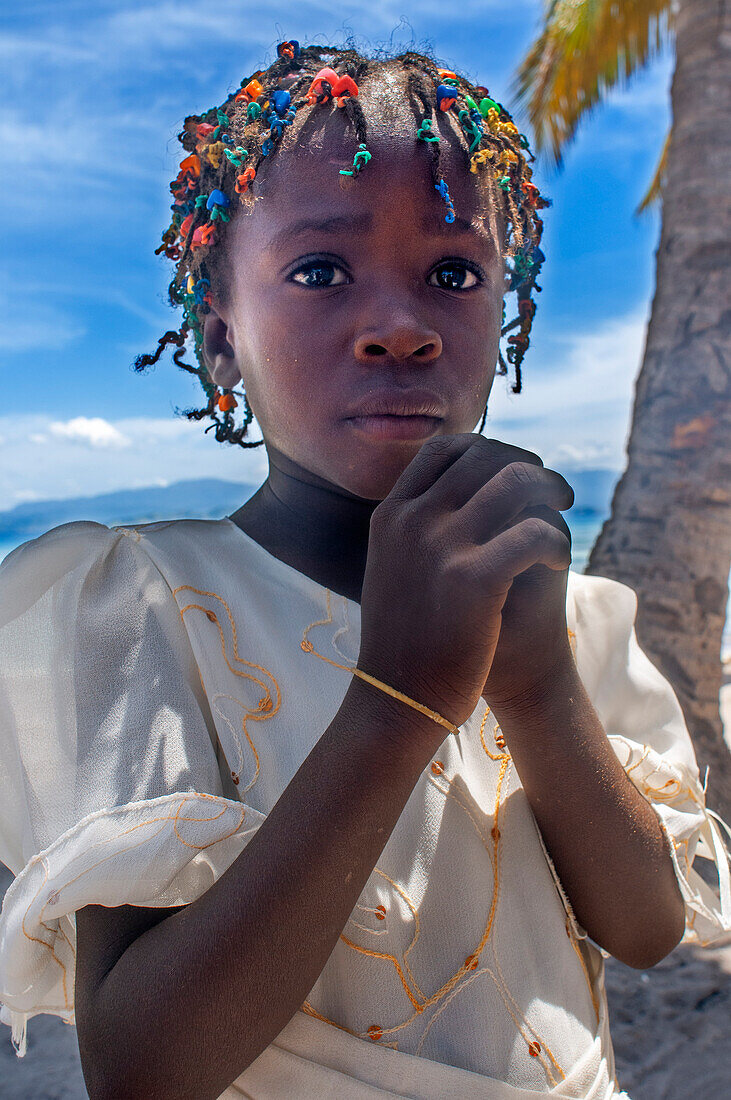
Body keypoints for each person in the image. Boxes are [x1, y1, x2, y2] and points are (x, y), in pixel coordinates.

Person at [0, 41, 729, 1100]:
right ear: (219, 341)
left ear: (505, 317)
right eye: (318, 272)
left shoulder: (567, 614)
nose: (397, 327)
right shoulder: (147, 612)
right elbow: (142, 1065)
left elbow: (646, 926)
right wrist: (397, 703)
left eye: (450, 273)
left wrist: (536, 686)